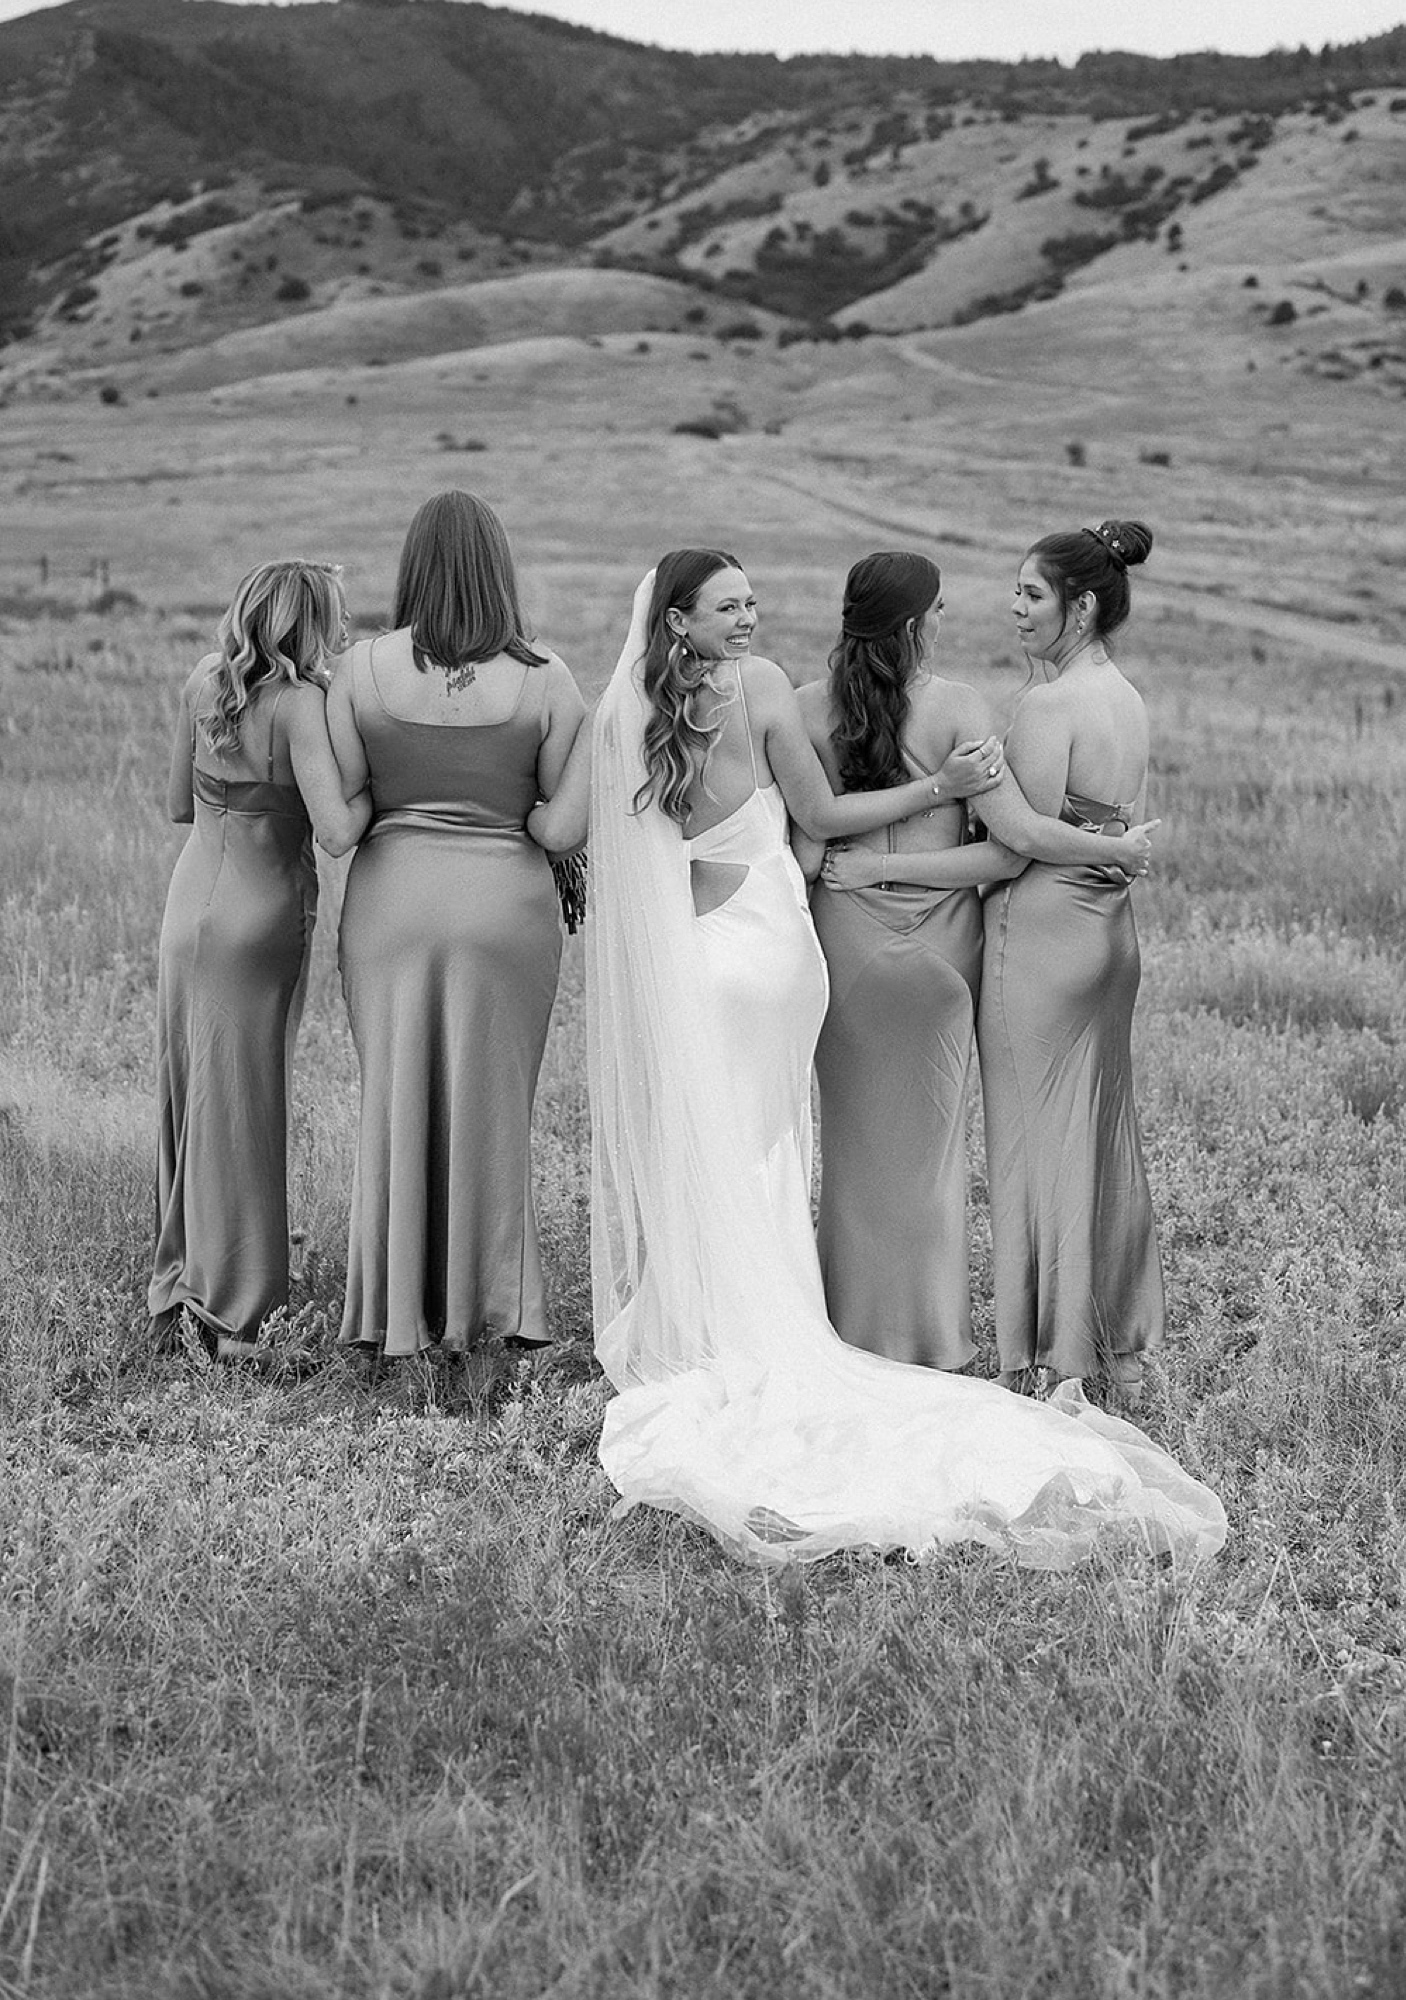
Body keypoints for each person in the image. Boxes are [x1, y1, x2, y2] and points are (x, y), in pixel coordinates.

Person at [585, 548, 1226, 1568]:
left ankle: (830, 1317)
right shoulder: (962, 705)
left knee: (829, 1146)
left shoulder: (796, 699)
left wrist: (835, 876)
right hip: (932, 952)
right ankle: (932, 1343)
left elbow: (798, 835)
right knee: (923, 1157)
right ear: (920, 626)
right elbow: (1008, 844)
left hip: (833, 942)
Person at [825, 520, 1164, 1403]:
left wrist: (880, 864)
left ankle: (1050, 1361)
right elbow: (1096, 821)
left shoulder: (1046, 707)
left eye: (1033, 595)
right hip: (1107, 932)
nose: (1014, 610)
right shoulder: (1125, 696)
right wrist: (1117, 850)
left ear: (1082, 605)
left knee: (1028, 1150)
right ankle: (1115, 1345)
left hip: (1041, 938)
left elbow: (1013, 843)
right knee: (1098, 1136)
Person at [327, 490, 586, 1356]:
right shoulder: (548, 677)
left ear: (414, 567)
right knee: (495, 1109)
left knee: (394, 1100)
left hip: (393, 905)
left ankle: (396, 1315)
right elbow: (561, 826)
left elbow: (350, 812)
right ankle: (493, 1310)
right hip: (504, 909)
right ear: (497, 569)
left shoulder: (359, 669)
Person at [150, 561, 370, 1359]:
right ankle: (234, 1313)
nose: (344, 631)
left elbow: (180, 803)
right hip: (258, 921)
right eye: (336, 616)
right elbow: (338, 831)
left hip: (189, 909)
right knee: (242, 1104)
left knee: (193, 1095)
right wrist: (384, 788)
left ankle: (187, 1274)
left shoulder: (204, 681)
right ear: (305, 622)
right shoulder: (299, 704)